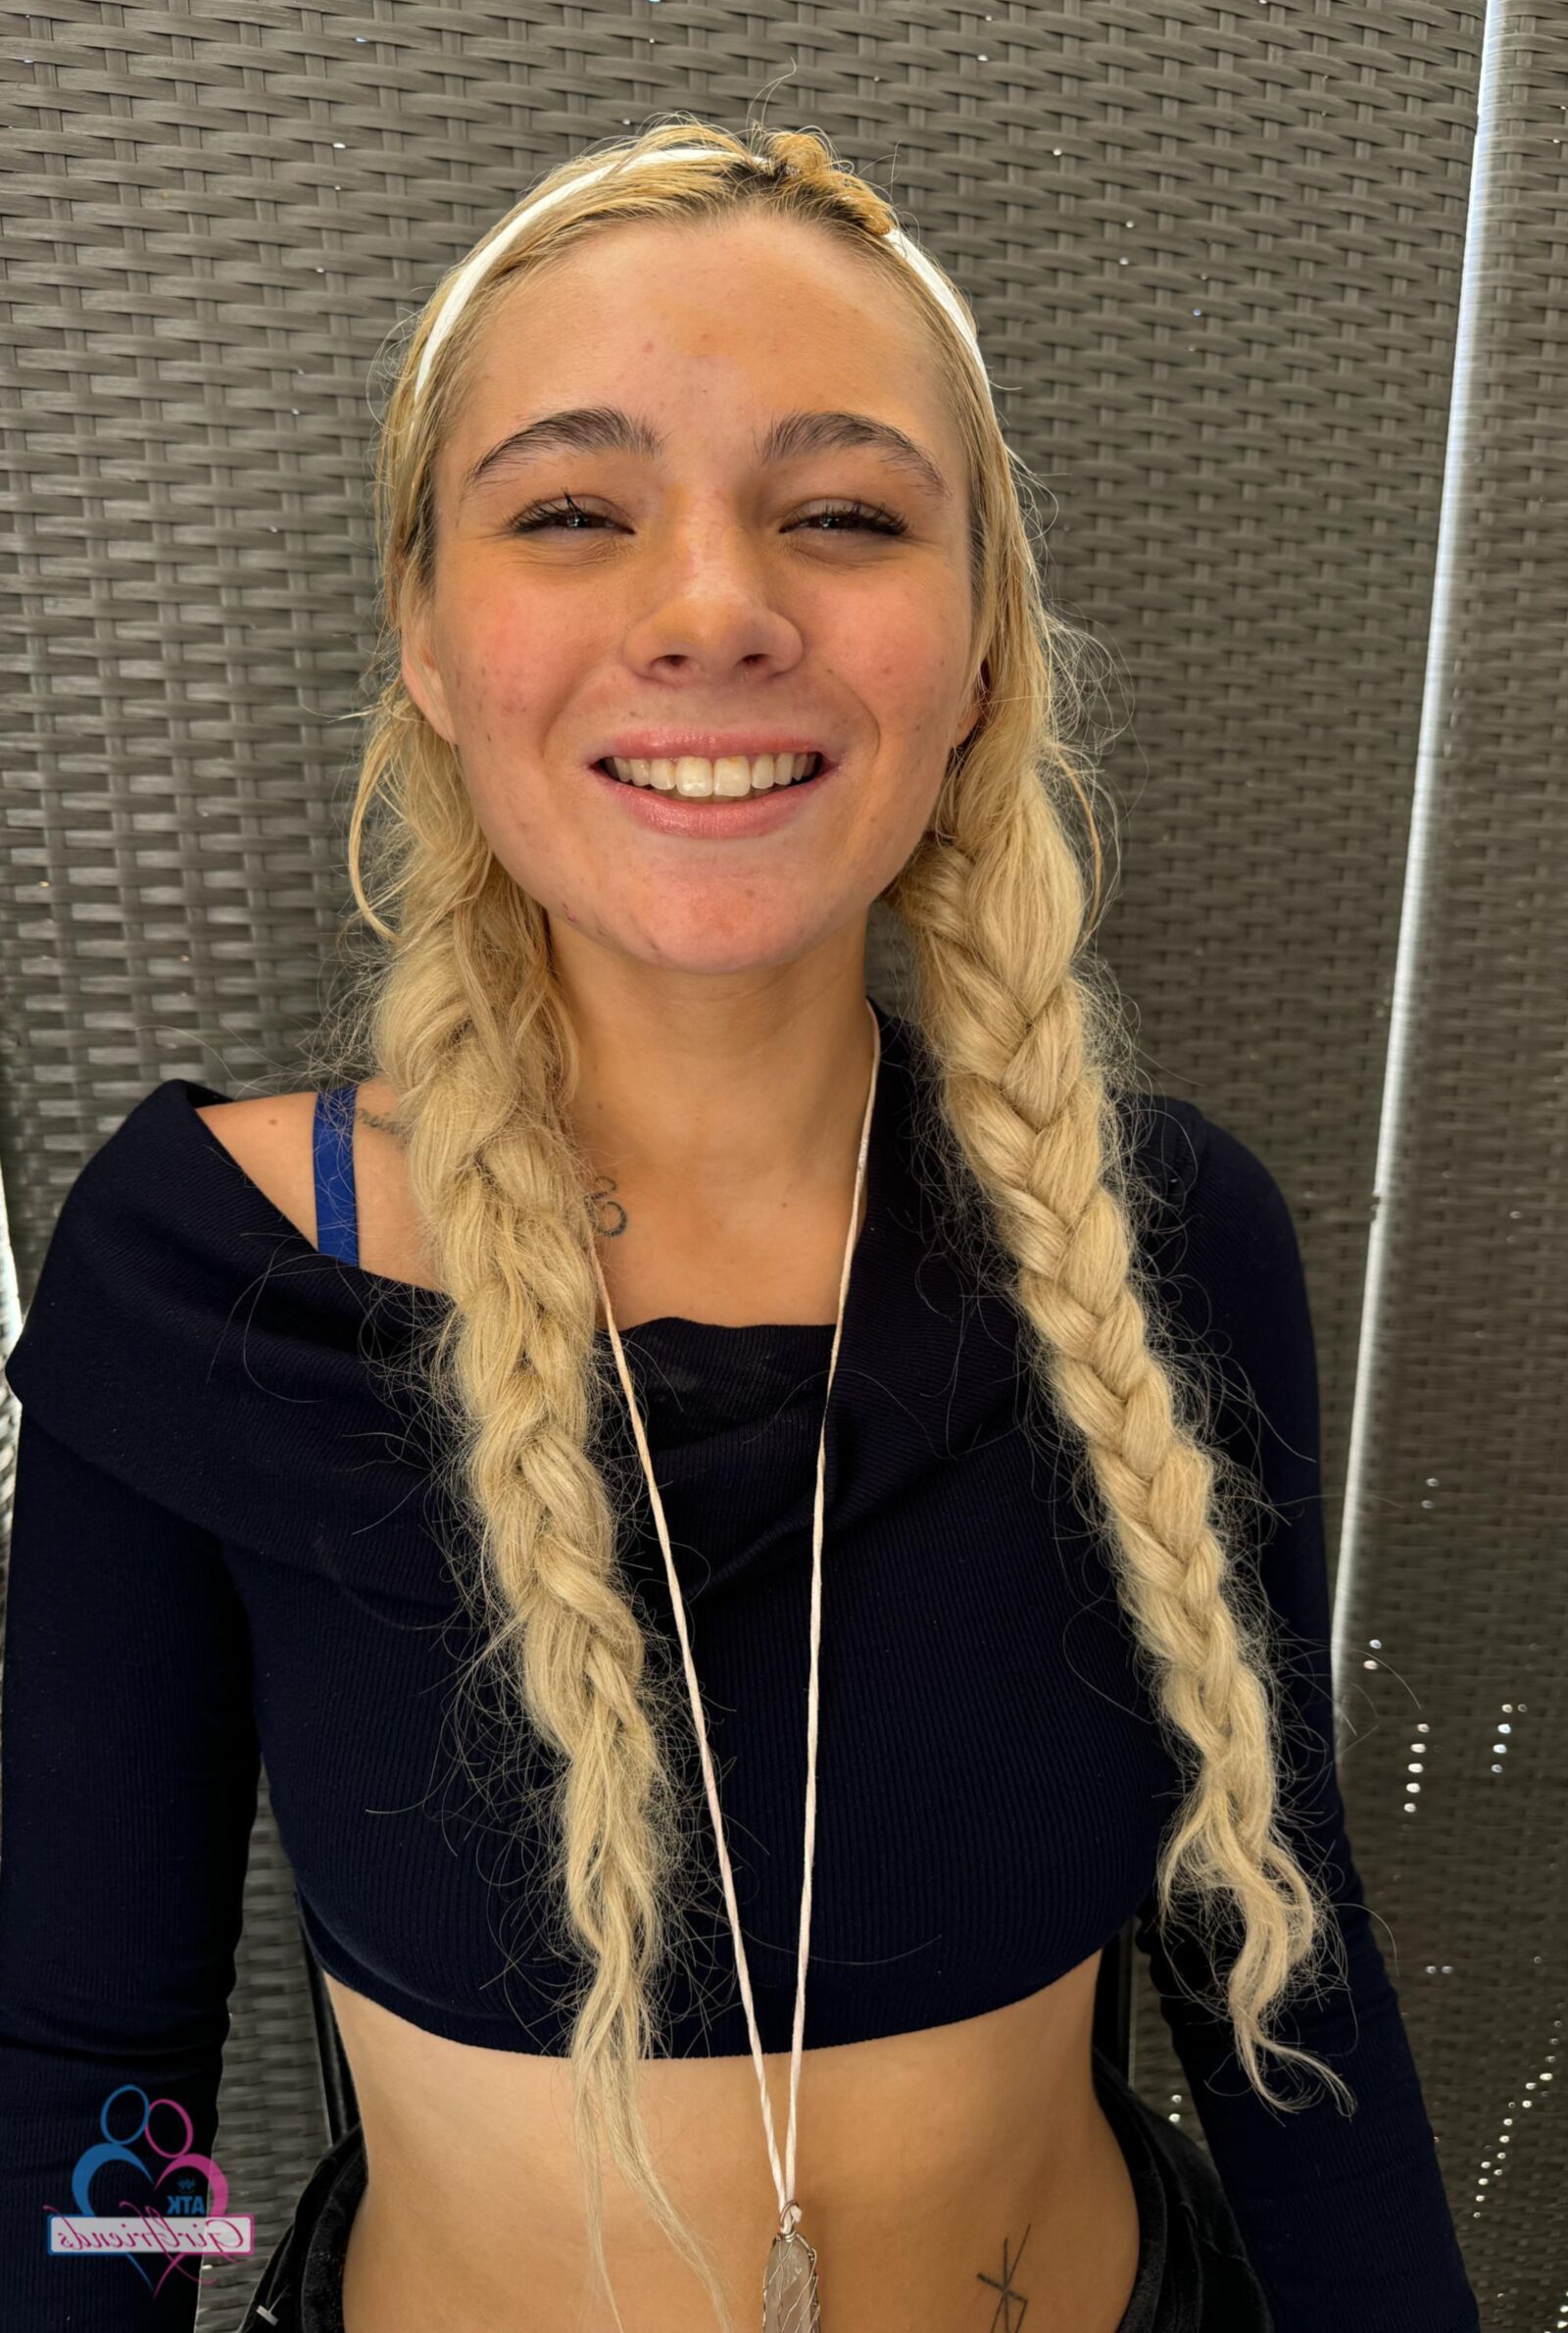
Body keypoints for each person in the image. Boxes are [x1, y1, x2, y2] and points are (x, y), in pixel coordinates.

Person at [0, 116, 1480, 2333]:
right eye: (573, 512)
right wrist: (123, 2285)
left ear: (975, 643)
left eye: (846, 514)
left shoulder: (1165, 1246)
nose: (712, 608)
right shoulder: (204, 1277)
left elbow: (1286, 1995)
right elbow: (104, 2082)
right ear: (422, 631)